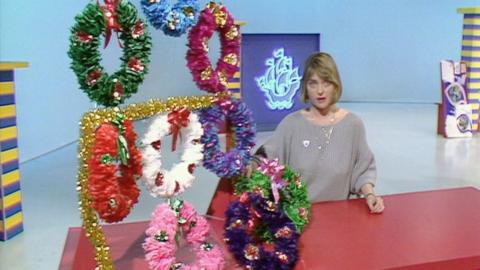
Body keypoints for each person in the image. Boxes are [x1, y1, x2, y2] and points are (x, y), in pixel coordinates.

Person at [250, 52, 385, 213]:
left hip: (340, 218)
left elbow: (362, 170)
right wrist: (249, 166)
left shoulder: (352, 125)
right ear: (305, 88)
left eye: (326, 83)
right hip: (298, 220)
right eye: (313, 84)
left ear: (336, 85)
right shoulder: (291, 124)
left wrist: (370, 195)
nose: (320, 91)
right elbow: (265, 158)